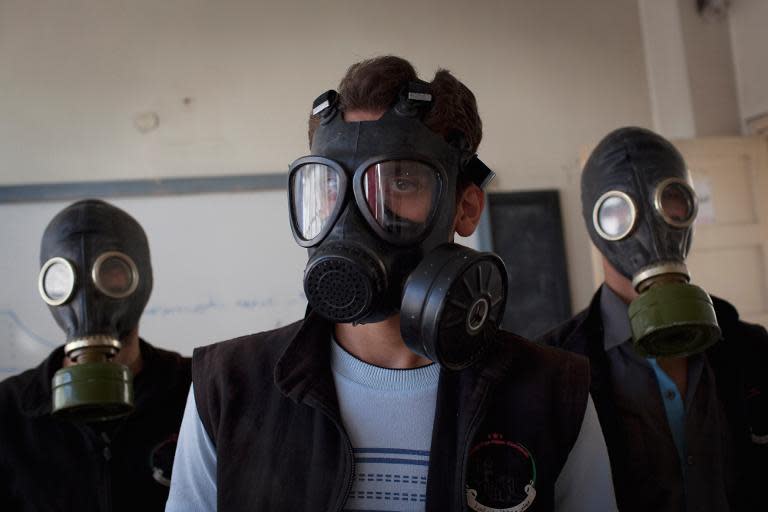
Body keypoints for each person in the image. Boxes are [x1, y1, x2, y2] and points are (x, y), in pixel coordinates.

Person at [167, 56, 617, 512]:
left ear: (466, 208)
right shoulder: (227, 389)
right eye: (329, 185)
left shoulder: (553, 393)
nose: (352, 213)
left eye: (399, 181)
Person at [540, 126, 768, 512]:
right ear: (596, 225)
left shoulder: (750, 348)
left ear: (688, 209)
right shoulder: (555, 370)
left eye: (670, 198)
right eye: (619, 210)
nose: (651, 225)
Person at [0, 199, 192, 511]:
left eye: (111, 270)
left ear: (143, 278)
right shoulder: (9, 412)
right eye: (64, 277)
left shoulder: (199, 393)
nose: (88, 296)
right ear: (48, 287)